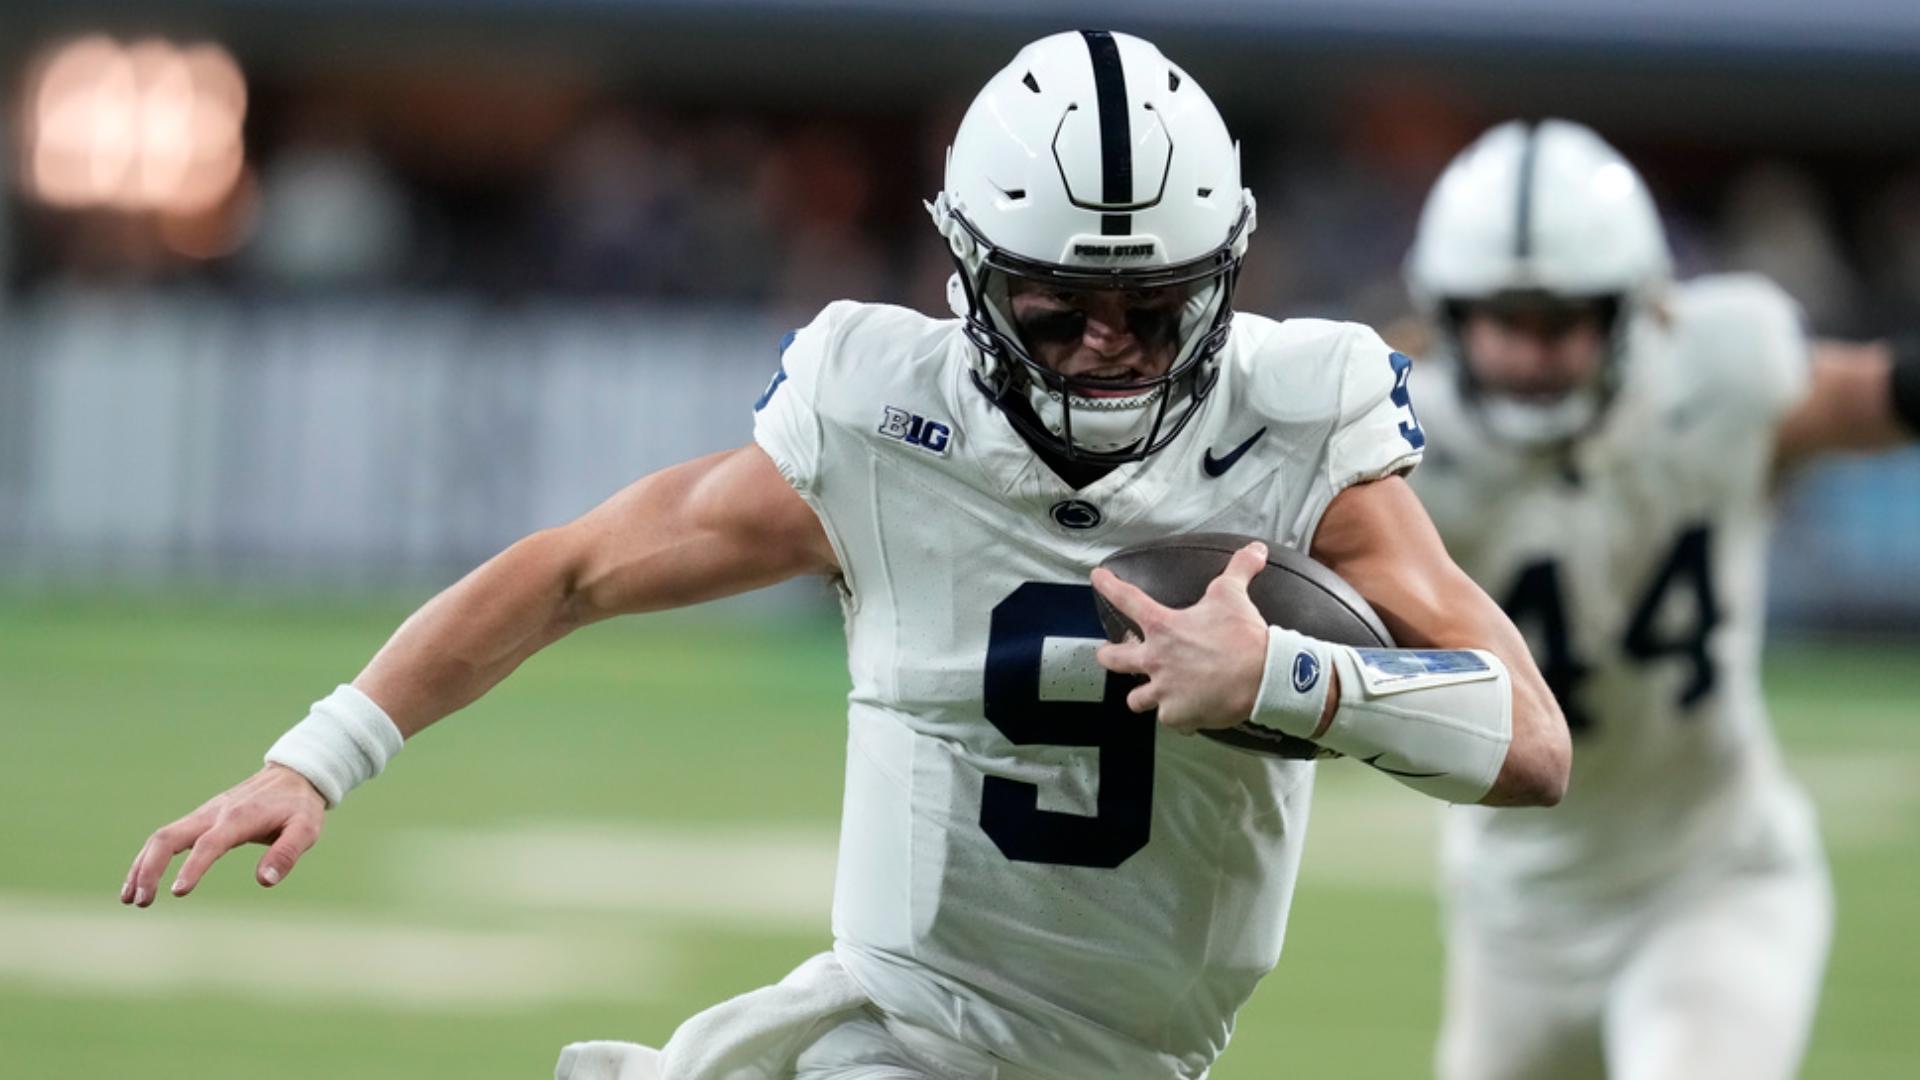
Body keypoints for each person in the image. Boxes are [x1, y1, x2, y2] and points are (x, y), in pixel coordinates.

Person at [121, 32, 1568, 1080]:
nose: (1110, 350)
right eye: (1061, 311)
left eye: (1154, 306)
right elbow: (571, 571)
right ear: (969, 272)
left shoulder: (1298, 422)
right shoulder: (884, 421)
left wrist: (1295, 676)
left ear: (1229, 274)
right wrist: (319, 755)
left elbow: (1533, 743)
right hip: (905, 1029)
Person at [1402, 118, 1920, 1080]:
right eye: (1501, 320)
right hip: (1515, 916)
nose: (1528, 354)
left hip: (1711, 880)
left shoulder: (1717, 372)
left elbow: (1863, 397)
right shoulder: (1403, 446)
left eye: (1561, 321)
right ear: (1447, 315)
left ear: (1635, 311)